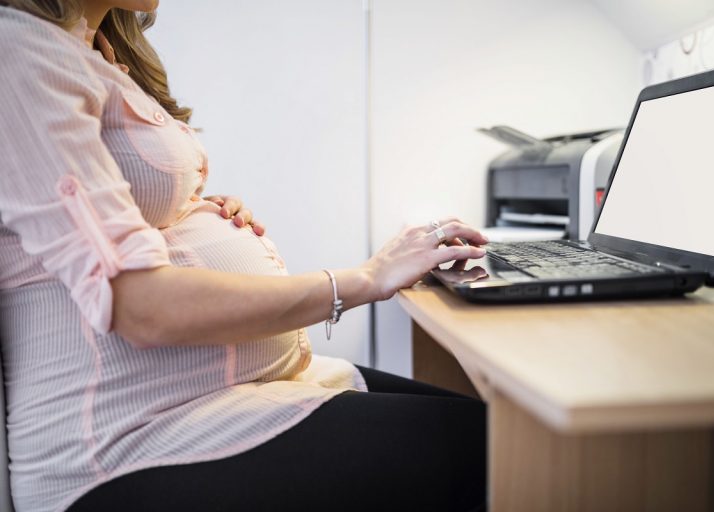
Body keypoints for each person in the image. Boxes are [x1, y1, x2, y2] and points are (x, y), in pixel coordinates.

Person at [0, 1, 489, 511]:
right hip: (127, 442)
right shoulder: (19, 51)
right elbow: (140, 305)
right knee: (494, 453)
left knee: (502, 432)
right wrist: (365, 278)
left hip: (232, 393)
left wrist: (188, 212)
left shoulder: (94, 47)